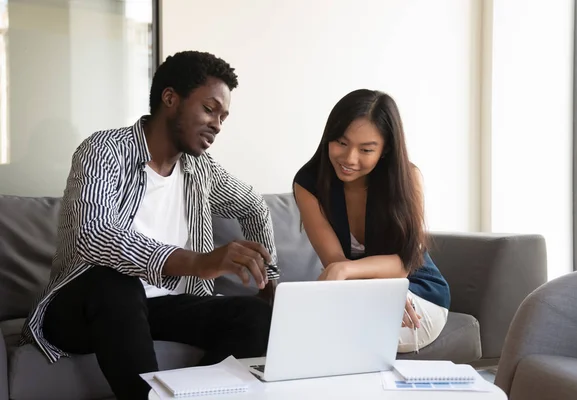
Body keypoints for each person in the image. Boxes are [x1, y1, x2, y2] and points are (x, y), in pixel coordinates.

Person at [20, 51, 280, 400]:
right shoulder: (104, 150)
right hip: (86, 306)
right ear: (170, 99)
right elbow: (93, 235)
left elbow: (254, 207)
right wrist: (197, 262)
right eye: (209, 108)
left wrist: (270, 281)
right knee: (116, 282)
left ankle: (196, 395)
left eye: (223, 116)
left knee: (255, 316)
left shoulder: (201, 171)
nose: (218, 124)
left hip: (162, 306)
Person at [293, 89, 450, 353]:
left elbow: (403, 264)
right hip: (353, 293)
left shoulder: (407, 179)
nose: (349, 159)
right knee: (303, 326)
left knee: (345, 333)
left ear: (385, 149)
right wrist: (361, 286)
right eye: (341, 143)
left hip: (416, 293)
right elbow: (334, 263)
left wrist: (369, 285)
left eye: (366, 149)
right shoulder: (309, 183)